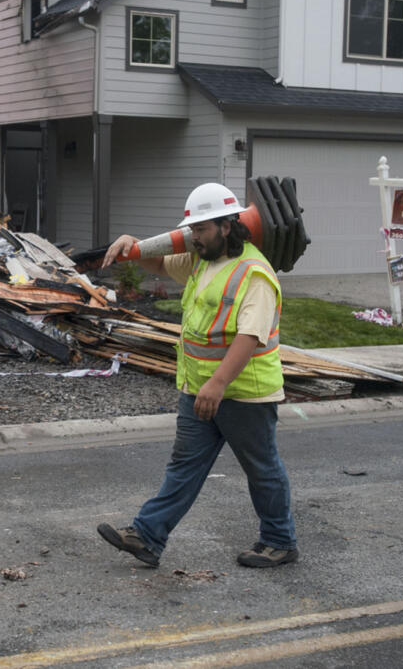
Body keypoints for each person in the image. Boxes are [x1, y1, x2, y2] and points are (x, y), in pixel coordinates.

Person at [96, 182, 298, 569]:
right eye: (191, 229)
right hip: (199, 389)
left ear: (226, 226)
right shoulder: (202, 260)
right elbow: (159, 263)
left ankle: (280, 541)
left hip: (244, 393)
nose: (193, 237)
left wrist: (218, 383)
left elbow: (250, 336)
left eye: (201, 229)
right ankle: (147, 536)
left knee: (262, 470)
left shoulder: (254, 273)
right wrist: (133, 247)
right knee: (183, 466)